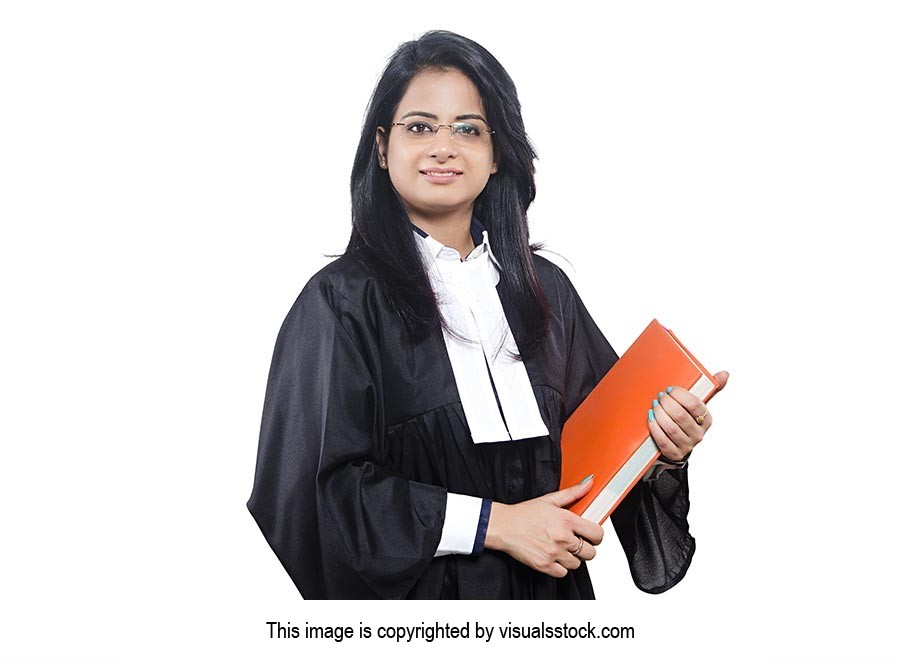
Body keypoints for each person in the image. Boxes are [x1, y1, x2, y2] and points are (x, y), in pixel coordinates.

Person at [246, 29, 728, 600]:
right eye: (420, 127)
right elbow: (311, 495)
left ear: (497, 154)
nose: (444, 147)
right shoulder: (341, 303)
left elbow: (599, 455)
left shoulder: (546, 293)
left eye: (469, 129)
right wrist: (495, 526)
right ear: (381, 147)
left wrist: (663, 448)